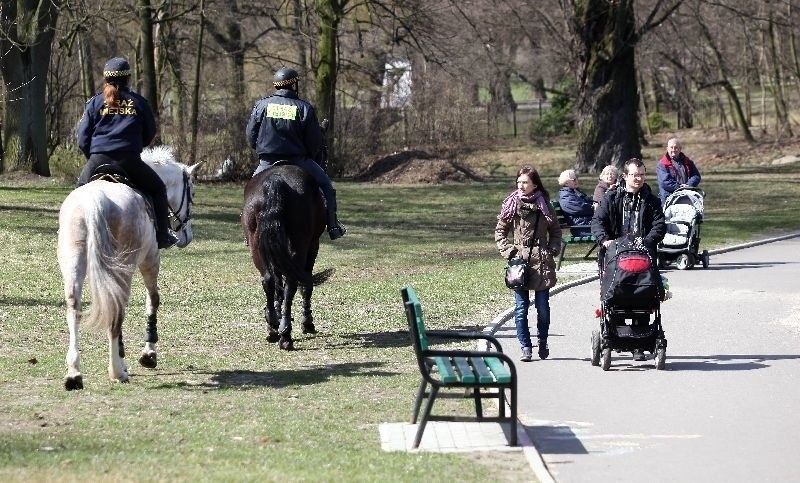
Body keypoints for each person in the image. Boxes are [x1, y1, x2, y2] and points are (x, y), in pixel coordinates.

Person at [76, 57, 177, 249]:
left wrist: (93, 155)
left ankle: (68, 230)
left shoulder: (94, 103)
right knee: (157, 190)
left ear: (105, 79)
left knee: (78, 191)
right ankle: (163, 236)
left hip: (98, 160)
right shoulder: (139, 103)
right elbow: (150, 132)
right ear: (128, 78)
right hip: (129, 161)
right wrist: (136, 144)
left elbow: (82, 139)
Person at [246, 67, 346, 240]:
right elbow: (314, 142)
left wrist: (262, 150)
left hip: (267, 162)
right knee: (327, 187)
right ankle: (333, 226)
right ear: (293, 85)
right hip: (298, 160)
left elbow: (250, 135)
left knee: (249, 193)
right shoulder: (304, 107)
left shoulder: (261, 105)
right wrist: (308, 154)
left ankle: (248, 232)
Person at [591, 158, 666, 361]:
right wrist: (605, 241)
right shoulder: (612, 197)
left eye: (642, 174)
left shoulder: (651, 200)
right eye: (635, 175)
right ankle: (615, 335)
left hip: (642, 258)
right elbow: (598, 221)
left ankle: (639, 345)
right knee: (617, 297)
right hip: (615, 257)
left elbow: (659, 225)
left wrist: (648, 241)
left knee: (642, 296)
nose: (639, 178)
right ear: (625, 176)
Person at [495, 166, 562, 362]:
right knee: (521, 308)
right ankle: (525, 347)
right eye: (519, 182)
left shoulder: (544, 205)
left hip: (541, 261)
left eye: (525, 182)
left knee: (542, 307)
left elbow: (556, 232)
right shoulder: (511, 205)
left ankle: (542, 340)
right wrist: (510, 251)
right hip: (519, 262)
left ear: (534, 184)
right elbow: (500, 232)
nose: (521, 186)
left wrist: (552, 249)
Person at [656, 137, 701, 205]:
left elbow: (696, 176)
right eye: (671, 147)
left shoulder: (688, 162)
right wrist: (679, 187)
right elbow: (664, 182)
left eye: (676, 147)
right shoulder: (662, 164)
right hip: (669, 200)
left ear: (680, 149)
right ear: (667, 148)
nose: (674, 150)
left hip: (687, 198)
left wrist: (688, 185)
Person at [557, 169, 594, 236]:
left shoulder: (575, 192)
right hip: (582, 228)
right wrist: (596, 208)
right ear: (566, 183)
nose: (576, 181)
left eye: (576, 178)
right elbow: (581, 208)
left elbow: (588, 200)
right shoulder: (566, 196)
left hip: (589, 224)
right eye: (573, 179)